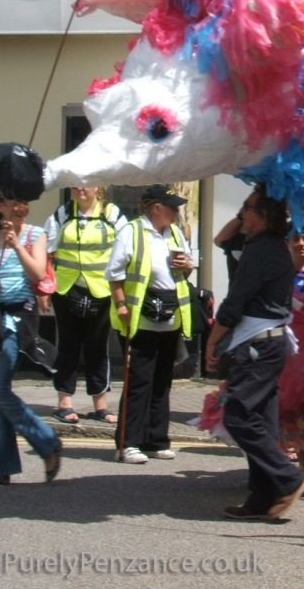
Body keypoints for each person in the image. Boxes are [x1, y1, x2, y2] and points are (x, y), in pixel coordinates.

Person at [204, 185, 304, 520]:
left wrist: (212, 340)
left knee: (238, 415)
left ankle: (287, 478)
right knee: (262, 420)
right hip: (266, 342)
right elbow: (223, 239)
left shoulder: (262, 249)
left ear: (263, 216)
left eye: (247, 209)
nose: (242, 214)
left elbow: (237, 301)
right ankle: (262, 497)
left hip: (258, 344)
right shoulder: (267, 246)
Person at [107, 184, 194, 464]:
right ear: (156, 208)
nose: (176, 211)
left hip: (169, 316)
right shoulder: (131, 232)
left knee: (162, 381)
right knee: (139, 381)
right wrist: (121, 304)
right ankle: (128, 443)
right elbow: (114, 273)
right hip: (139, 317)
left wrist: (186, 266)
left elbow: (186, 268)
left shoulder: (175, 233)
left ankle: (156, 440)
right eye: (171, 206)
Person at [0, 193, 62, 485]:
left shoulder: (35, 234)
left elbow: (38, 272)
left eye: (14, 204)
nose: (11, 208)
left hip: (21, 318)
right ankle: (2, 465)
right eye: (4, 204)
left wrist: (17, 244)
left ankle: (47, 441)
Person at [46, 186, 127, 425]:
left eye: (86, 182)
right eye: (76, 183)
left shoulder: (112, 214)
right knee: (68, 346)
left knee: (97, 347)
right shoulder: (62, 214)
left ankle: (100, 406)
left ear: (98, 187)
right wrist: (45, 286)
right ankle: (64, 403)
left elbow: (125, 251)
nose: (80, 188)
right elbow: (48, 251)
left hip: (102, 290)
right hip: (66, 288)